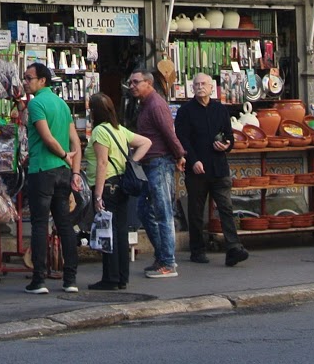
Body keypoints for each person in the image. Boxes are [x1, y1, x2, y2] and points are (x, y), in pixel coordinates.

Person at [20, 62, 83, 295]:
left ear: (42, 80)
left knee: (39, 224)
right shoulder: (61, 104)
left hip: (42, 170)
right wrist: (74, 170)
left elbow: (47, 138)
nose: (25, 82)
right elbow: (75, 141)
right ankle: (70, 279)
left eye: (29, 78)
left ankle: (39, 279)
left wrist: (64, 155)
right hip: (63, 172)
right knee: (64, 223)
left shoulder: (36, 103)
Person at [174, 72, 248, 267]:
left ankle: (233, 248)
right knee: (196, 211)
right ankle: (197, 250)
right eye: (196, 84)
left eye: (203, 84)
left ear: (211, 87)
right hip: (197, 169)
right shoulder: (185, 111)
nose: (200, 87)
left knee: (226, 208)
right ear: (192, 88)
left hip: (219, 167)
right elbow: (182, 139)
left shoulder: (220, 109)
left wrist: (226, 145)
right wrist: (193, 160)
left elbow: (229, 136)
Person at [84, 91, 151, 291]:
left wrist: (98, 195)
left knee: (108, 231)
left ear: (95, 111)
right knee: (121, 231)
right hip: (121, 185)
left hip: (107, 185)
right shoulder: (119, 129)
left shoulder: (99, 132)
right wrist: (132, 162)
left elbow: (102, 163)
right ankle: (122, 277)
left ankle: (110, 278)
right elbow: (146, 142)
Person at [127, 66, 183, 278]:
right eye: (130, 82)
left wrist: (180, 154)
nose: (132, 86)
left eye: (136, 82)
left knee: (163, 212)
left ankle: (168, 262)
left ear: (148, 83)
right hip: (149, 164)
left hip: (160, 162)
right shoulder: (143, 105)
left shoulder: (156, 104)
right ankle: (162, 256)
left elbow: (169, 132)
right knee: (144, 210)